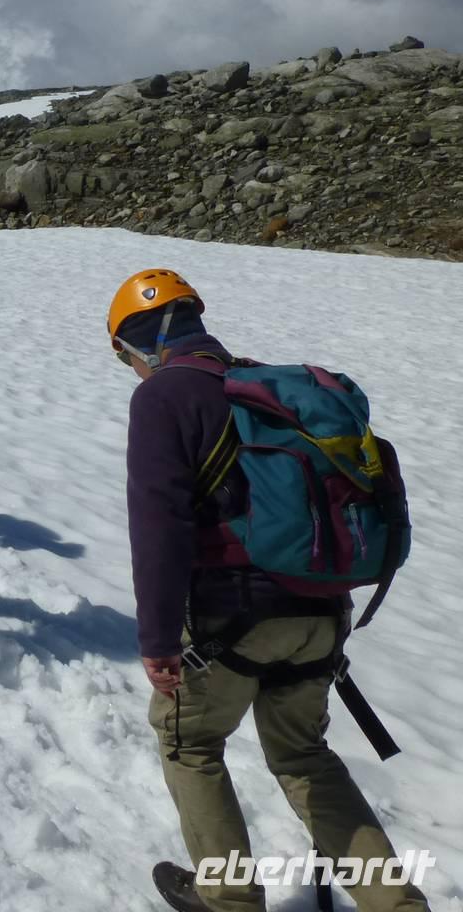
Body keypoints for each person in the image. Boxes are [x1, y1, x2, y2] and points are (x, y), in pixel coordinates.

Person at [108, 270, 429, 912]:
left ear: (138, 343)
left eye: (125, 357)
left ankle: (227, 899)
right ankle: (398, 906)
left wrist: (159, 638)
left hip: (231, 614)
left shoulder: (165, 397)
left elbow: (159, 522)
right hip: (321, 612)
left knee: (190, 744)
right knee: (305, 755)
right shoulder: (267, 388)